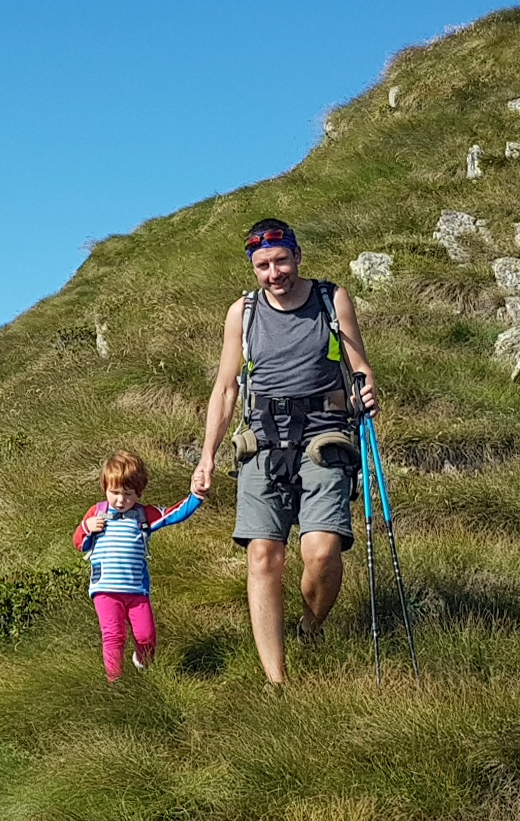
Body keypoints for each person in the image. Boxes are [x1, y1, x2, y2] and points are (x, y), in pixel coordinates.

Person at [190, 219, 380, 687]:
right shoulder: (243, 313)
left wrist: (367, 389)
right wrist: (207, 456)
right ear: (253, 268)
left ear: (297, 256)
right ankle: (277, 683)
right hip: (262, 441)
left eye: (280, 261)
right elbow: (226, 388)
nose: (274, 273)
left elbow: (359, 365)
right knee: (263, 556)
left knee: (323, 553)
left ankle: (310, 627)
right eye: (263, 266)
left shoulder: (331, 299)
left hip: (325, 436)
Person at [74, 450, 201, 681]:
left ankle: (142, 663)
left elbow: (174, 514)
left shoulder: (144, 515)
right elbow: (79, 544)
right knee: (113, 636)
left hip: (137, 591)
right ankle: (114, 682)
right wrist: (87, 527)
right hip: (104, 589)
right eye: (114, 493)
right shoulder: (97, 512)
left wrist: (196, 496)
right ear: (105, 488)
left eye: (128, 494)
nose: (120, 500)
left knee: (146, 636)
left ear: (138, 492)